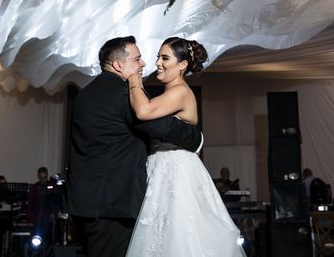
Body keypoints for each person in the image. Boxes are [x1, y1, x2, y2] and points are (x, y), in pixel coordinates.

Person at [67, 36, 202, 257]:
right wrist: (196, 139)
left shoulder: (85, 94)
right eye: (137, 59)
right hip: (113, 203)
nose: (144, 64)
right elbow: (160, 126)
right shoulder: (123, 93)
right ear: (119, 65)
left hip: (85, 201)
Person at [125, 36, 245, 257]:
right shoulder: (171, 92)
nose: (158, 63)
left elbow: (143, 111)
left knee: (178, 236)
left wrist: (133, 80)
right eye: (158, 57)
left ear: (182, 65)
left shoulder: (180, 91)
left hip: (176, 172)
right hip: (162, 167)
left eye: (165, 58)